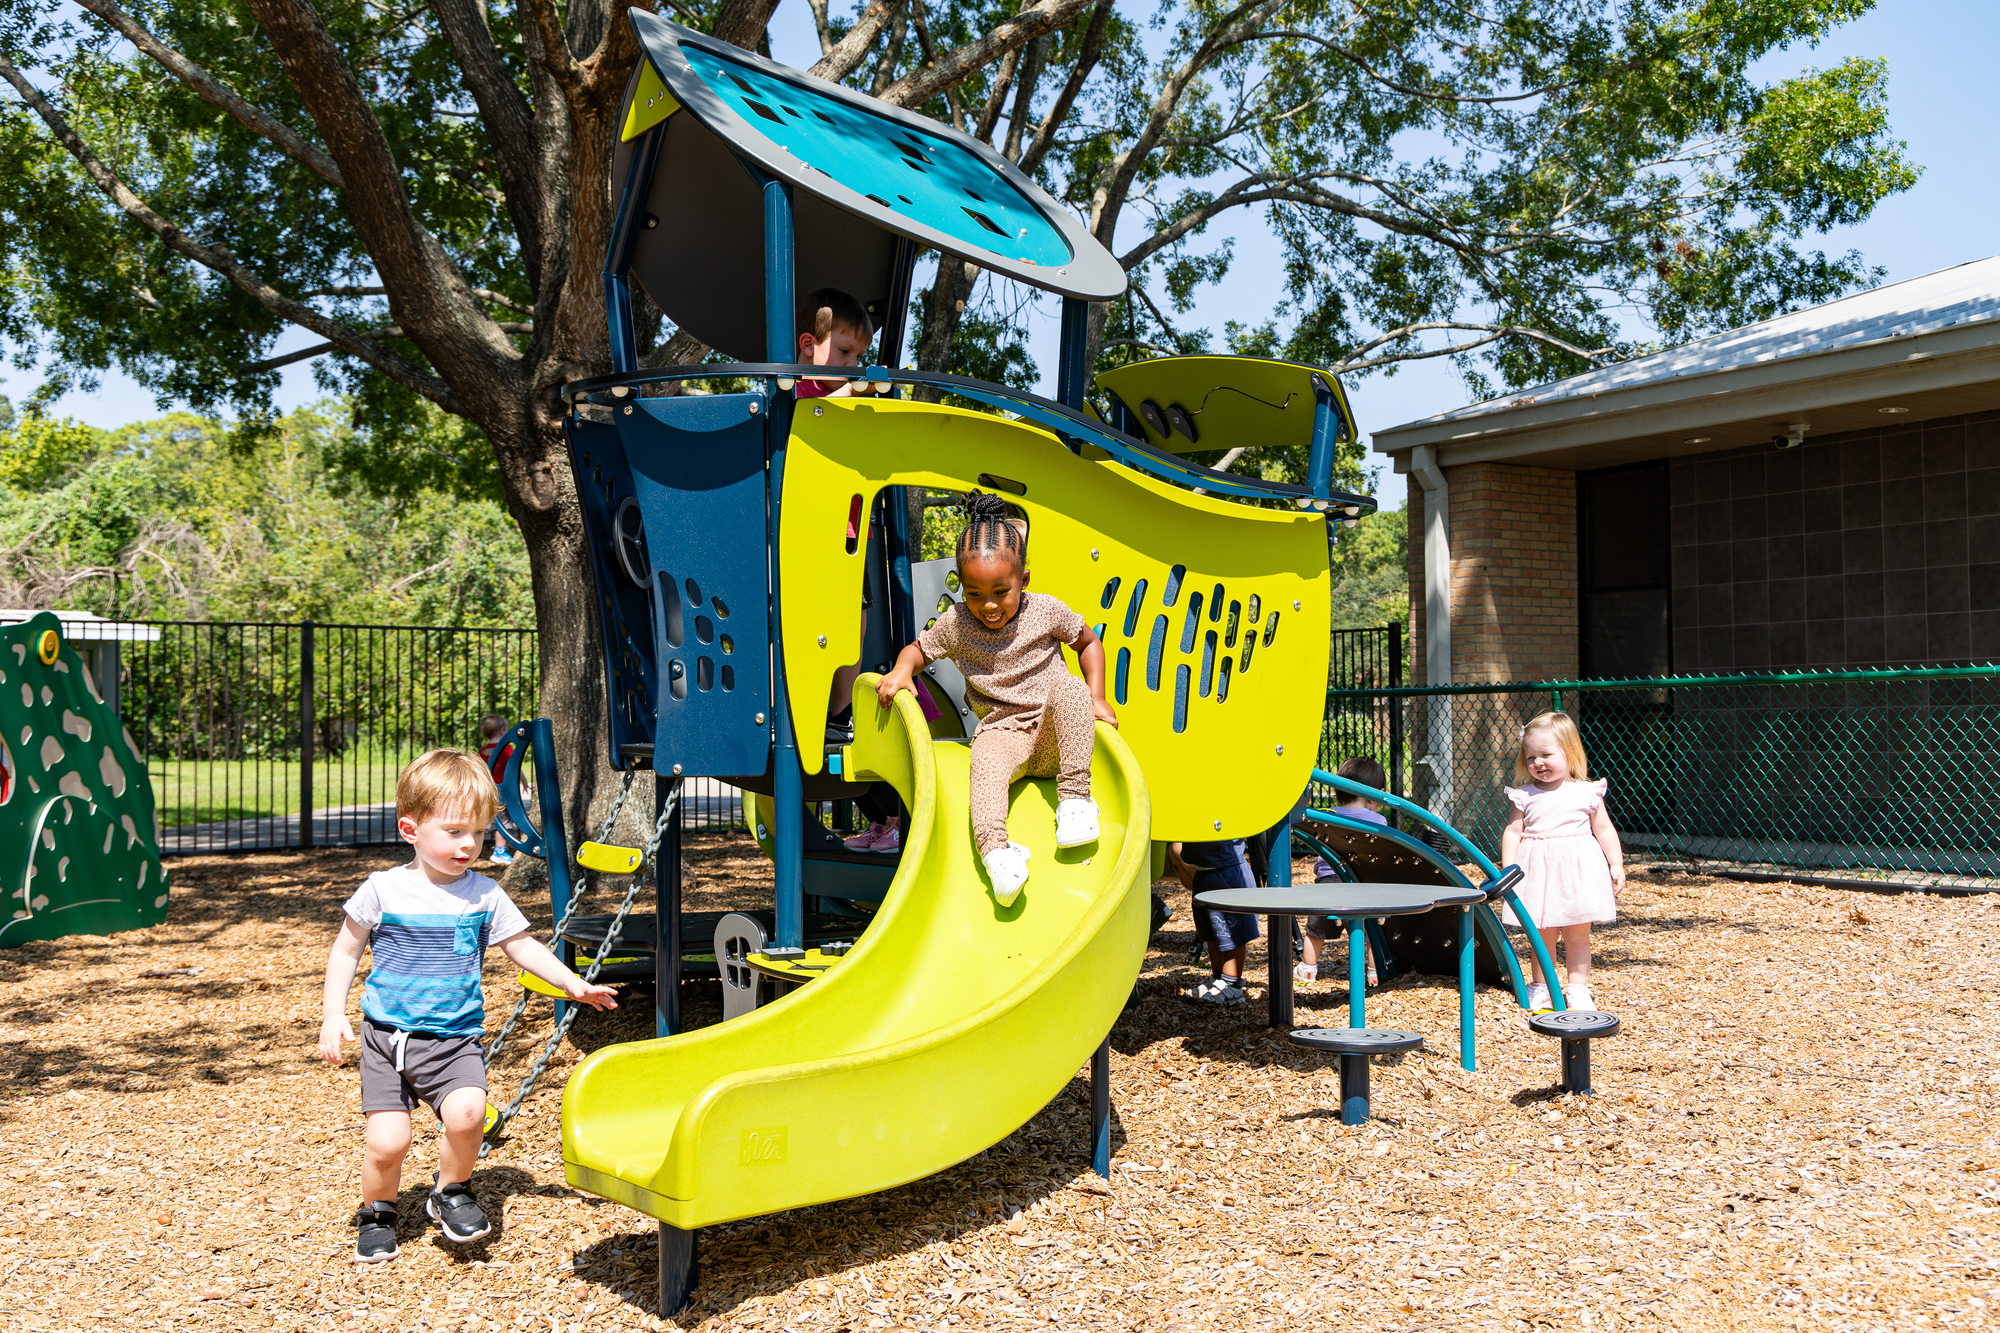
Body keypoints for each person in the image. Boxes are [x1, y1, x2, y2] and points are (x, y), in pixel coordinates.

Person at [317, 750, 619, 1263]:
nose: (469, 844)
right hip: (388, 1040)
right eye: (455, 831)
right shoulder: (382, 890)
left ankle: (451, 1190)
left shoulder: (485, 895)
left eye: (477, 833)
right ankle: (378, 1211)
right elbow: (346, 949)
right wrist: (332, 1014)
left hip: (455, 1039)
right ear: (410, 829)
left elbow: (522, 946)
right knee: (388, 1145)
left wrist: (572, 983)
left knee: (469, 1114)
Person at [875, 492, 1115, 904]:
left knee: (1071, 688)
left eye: (1000, 591)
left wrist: (1097, 695)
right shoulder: (956, 623)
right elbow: (917, 650)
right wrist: (901, 670)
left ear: (1023, 580)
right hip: (1003, 733)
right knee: (982, 769)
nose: (987, 605)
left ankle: (1075, 800)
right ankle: (997, 854)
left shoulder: (1045, 611)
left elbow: (1088, 642)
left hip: (1053, 731)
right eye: (973, 593)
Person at [1499, 711, 1625, 1013]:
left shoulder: (1587, 791)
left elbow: (1604, 829)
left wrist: (1616, 863)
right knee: (1541, 933)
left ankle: (1578, 987)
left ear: (1569, 752)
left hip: (1576, 874)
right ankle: (1542, 986)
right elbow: (1513, 831)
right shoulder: (1525, 796)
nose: (1538, 763)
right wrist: (1507, 867)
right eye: (1531, 757)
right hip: (1537, 872)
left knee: (1578, 933)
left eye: (1546, 755)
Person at [1296, 755, 1388, 987]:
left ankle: (1308, 970)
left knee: (1315, 931)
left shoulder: (1326, 816)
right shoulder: (1377, 821)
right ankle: (1374, 974)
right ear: (1374, 794)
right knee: (1372, 934)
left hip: (1328, 882)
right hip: (1361, 884)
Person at [1171, 838, 1258, 1006]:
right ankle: (1218, 977)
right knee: (1212, 933)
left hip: (1226, 870)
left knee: (1232, 934)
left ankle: (1232, 985)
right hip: (1204, 872)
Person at [475, 714, 516, 864]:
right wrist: (523, 781)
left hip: (488, 790)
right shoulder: (505, 748)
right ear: (502, 730)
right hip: (504, 789)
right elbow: (514, 765)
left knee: (492, 819)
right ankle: (499, 852)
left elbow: (479, 770)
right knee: (504, 822)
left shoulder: (482, 751)